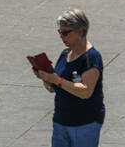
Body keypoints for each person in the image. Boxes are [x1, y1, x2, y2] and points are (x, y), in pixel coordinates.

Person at [34, 9, 105, 147]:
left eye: (65, 32)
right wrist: (45, 78)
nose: (61, 36)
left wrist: (58, 80)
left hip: (84, 124)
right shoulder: (65, 54)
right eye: (60, 32)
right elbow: (53, 88)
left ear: (81, 31)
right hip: (61, 122)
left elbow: (86, 91)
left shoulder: (91, 57)